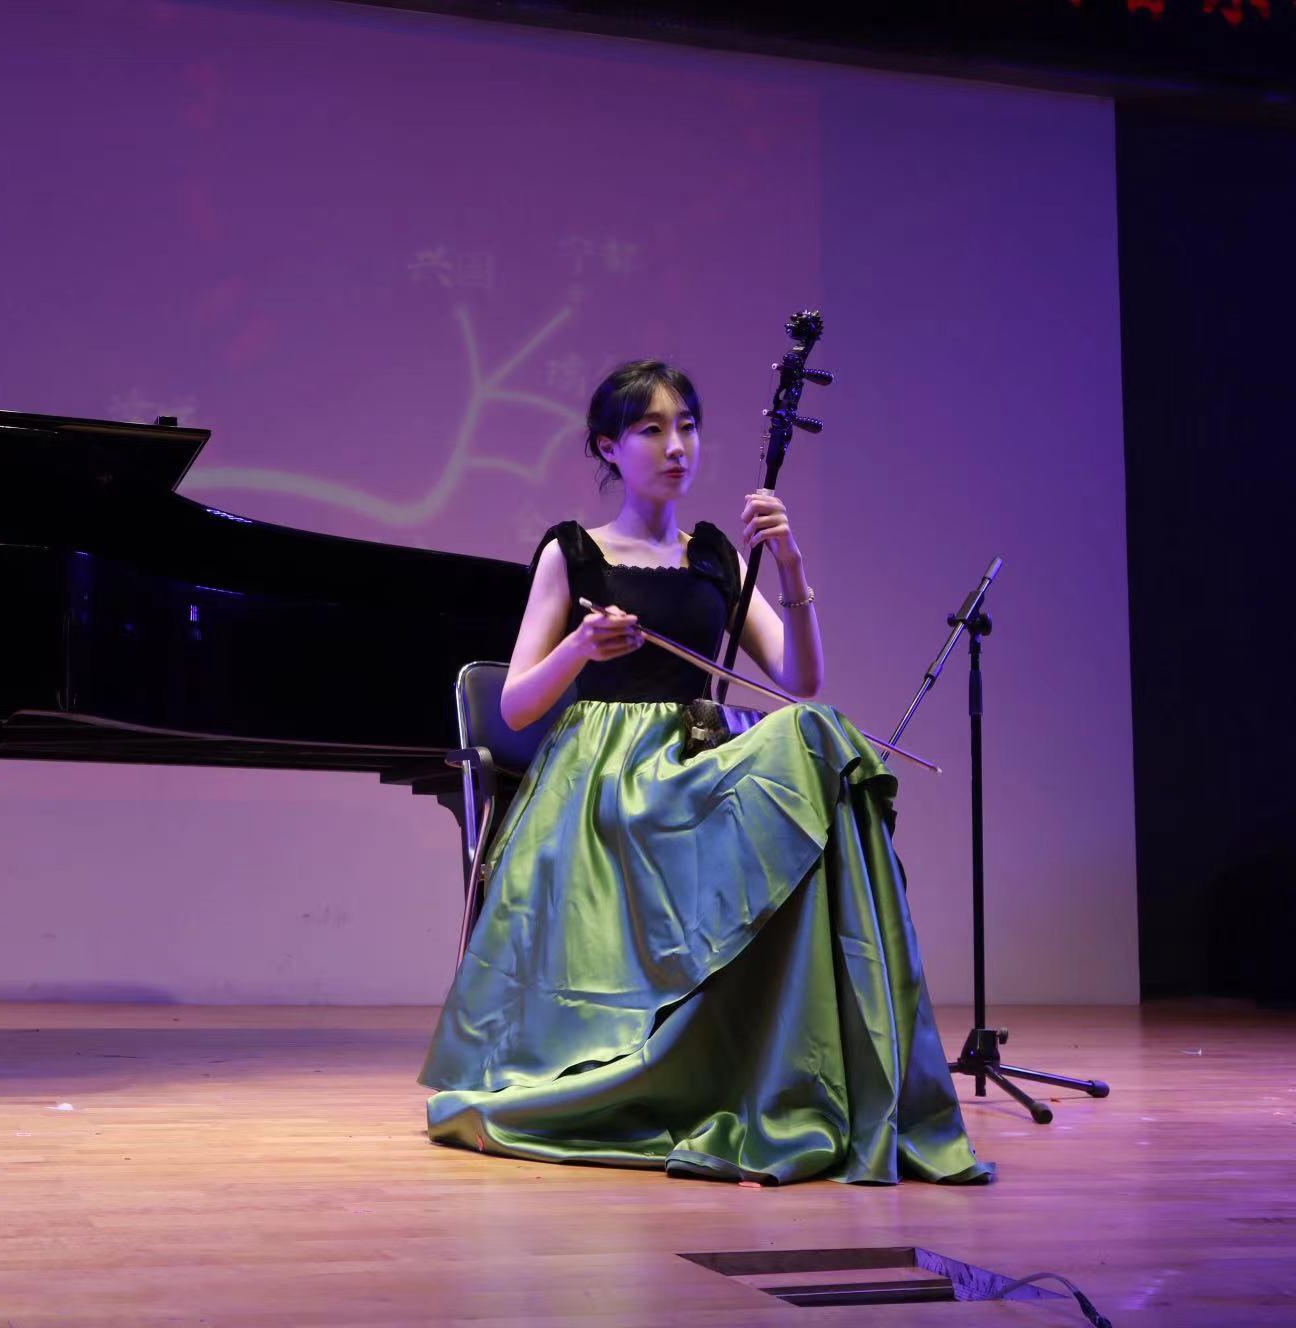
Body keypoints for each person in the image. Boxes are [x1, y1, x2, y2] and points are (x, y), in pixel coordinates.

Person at [419, 361, 989, 1184]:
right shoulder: (573, 552)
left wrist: (789, 566)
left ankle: (790, 1066)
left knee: (816, 737)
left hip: (698, 765)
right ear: (608, 448)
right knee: (803, 752)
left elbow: (799, 679)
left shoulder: (716, 554)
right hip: (607, 782)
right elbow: (514, 705)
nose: (676, 445)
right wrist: (580, 647)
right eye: (651, 429)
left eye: (686, 426)